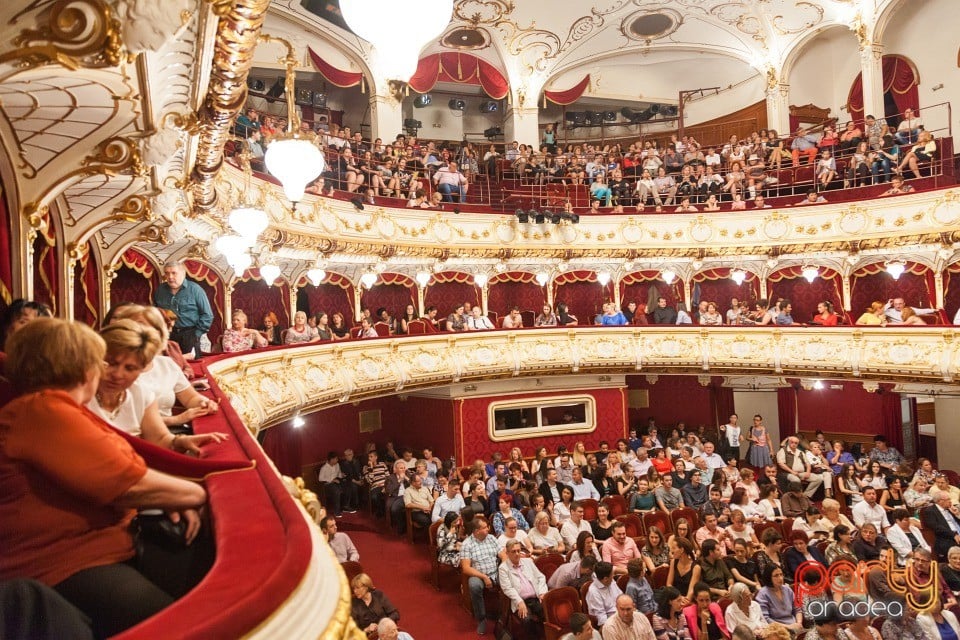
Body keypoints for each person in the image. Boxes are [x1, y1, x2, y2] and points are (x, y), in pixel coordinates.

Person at [0, 318, 208, 639]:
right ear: (84, 368)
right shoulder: (44, 411)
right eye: (104, 361)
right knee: (185, 626)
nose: (109, 371)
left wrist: (166, 496)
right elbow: (128, 484)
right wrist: (195, 494)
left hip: (99, 547)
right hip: (63, 563)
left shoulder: (52, 409)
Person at [153, 260, 213, 356]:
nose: (170, 277)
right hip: (169, 335)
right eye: (167, 273)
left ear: (183, 274)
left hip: (189, 334)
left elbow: (207, 315)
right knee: (170, 364)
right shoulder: (160, 290)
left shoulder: (195, 290)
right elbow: (155, 312)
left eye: (174, 273)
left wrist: (196, 335)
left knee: (192, 367)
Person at [498, 539, 547, 635]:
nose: (517, 554)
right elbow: (507, 588)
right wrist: (519, 601)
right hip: (520, 601)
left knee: (548, 612)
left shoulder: (528, 561)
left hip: (536, 598)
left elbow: (541, 577)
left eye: (518, 551)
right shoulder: (503, 568)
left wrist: (542, 592)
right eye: (513, 551)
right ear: (507, 553)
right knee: (527, 620)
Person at [460, 518, 500, 635]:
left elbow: (502, 554)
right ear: (476, 531)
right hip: (478, 575)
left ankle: (505, 613)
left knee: (511, 578)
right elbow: (466, 568)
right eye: (484, 527)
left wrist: (505, 567)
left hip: (496, 571)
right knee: (474, 585)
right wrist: (484, 577)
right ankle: (481, 618)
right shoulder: (467, 544)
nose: (488, 529)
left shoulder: (492, 538)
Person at [754, 565, 802, 635]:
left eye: (781, 574)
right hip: (777, 631)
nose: (780, 578)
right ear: (768, 578)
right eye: (776, 575)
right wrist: (788, 627)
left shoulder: (787, 589)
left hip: (794, 626)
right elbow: (766, 619)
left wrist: (799, 623)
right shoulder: (763, 594)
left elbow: (797, 609)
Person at [922, 488, 960, 561]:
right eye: (948, 499)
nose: (950, 501)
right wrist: (953, 534)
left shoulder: (950, 509)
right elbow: (936, 527)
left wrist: (957, 514)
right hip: (947, 538)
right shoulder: (930, 511)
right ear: (940, 501)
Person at [585, 561, 622, 626]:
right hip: (610, 622)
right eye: (612, 575)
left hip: (621, 614)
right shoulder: (594, 592)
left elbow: (621, 596)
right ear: (605, 579)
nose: (613, 576)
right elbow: (602, 619)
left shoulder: (611, 581)